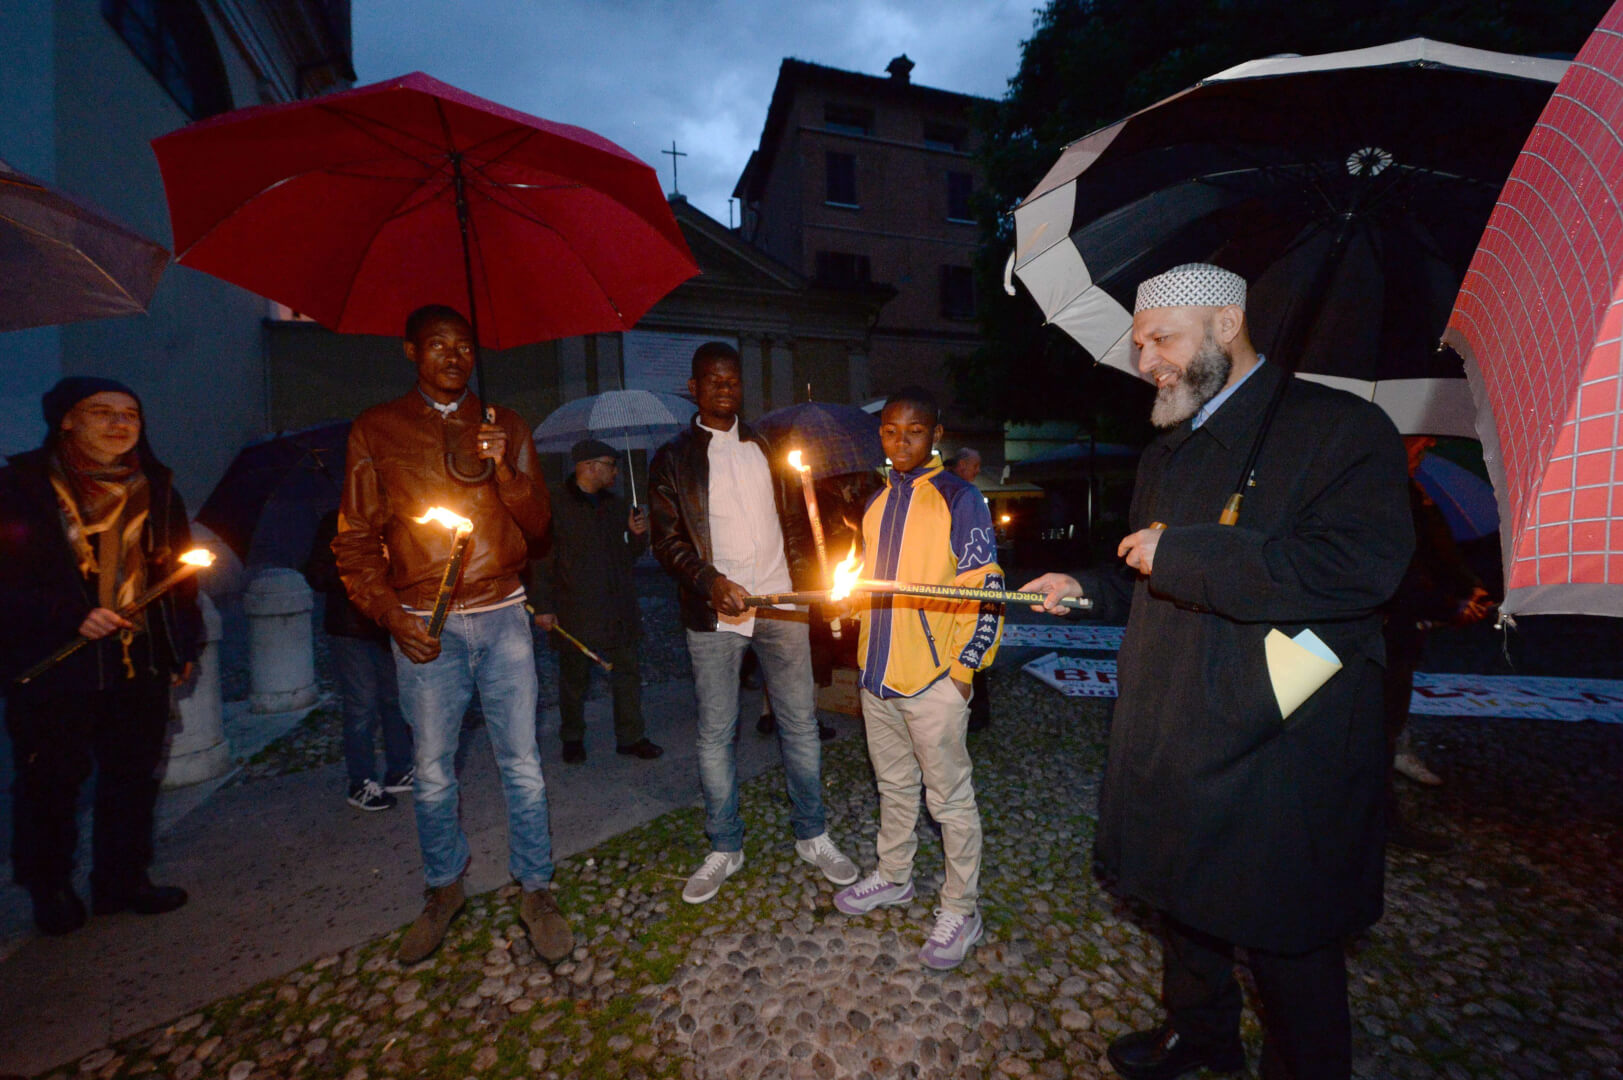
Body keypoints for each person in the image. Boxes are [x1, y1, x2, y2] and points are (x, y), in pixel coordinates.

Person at [1022, 264, 1412, 1080]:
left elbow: (1359, 569)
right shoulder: (1168, 451)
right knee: (1180, 898)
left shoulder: (1342, 430)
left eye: (1161, 339)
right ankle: (1198, 1036)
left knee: (1283, 933)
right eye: (1138, 345)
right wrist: (1084, 587)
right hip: (1172, 722)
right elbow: (1144, 573)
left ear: (1226, 325)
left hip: (1276, 739)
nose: (1144, 362)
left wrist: (1188, 553)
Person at [334, 304, 572, 965]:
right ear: (411, 351)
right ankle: (444, 885)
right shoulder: (376, 428)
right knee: (434, 770)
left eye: (464, 345)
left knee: (522, 763)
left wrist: (506, 472)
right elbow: (354, 542)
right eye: (438, 345)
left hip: (504, 614)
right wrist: (390, 616)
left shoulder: (505, 424)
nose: (453, 356)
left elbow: (539, 525)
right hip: (425, 623)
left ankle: (536, 886)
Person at [648, 341, 858, 904]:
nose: (725, 388)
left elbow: (794, 524)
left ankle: (812, 834)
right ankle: (725, 845)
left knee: (801, 722)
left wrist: (813, 584)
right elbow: (666, 541)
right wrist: (709, 580)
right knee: (716, 733)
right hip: (716, 613)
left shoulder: (768, 446)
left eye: (733, 380)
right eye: (713, 380)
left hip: (782, 604)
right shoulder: (672, 458)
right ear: (694, 388)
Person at [0, 377, 201, 935]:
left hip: (138, 659)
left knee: (133, 774)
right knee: (50, 781)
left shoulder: (156, 488)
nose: (120, 424)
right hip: (55, 665)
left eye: (130, 414)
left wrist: (183, 641)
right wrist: (69, 614)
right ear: (66, 420)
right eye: (102, 412)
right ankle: (50, 888)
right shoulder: (21, 490)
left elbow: (179, 573)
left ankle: (122, 879)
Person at [832, 388, 1002, 970]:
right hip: (877, 676)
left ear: (936, 435)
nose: (900, 441)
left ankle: (961, 908)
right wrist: (850, 607)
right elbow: (872, 582)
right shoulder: (876, 502)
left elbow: (986, 589)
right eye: (889, 431)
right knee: (894, 786)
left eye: (913, 431)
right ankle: (894, 875)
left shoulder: (961, 498)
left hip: (933, 680)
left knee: (949, 800)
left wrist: (963, 671)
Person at [1381, 436, 1494, 852]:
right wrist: (1449, 606)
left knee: (1387, 722)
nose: (1427, 444)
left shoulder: (1411, 490)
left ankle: (1376, 819)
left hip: (1400, 631)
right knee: (1375, 728)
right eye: (1417, 440)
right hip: (1377, 633)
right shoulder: (1373, 492)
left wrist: (1469, 587)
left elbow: (1436, 546)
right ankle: (1377, 824)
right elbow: (1394, 572)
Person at [533, 438, 662, 764]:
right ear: (589, 466)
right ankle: (572, 738)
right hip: (575, 606)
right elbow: (542, 559)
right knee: (574, 678)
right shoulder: (555, 504)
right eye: (610, 465)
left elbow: (626, 557)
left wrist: (638, 536)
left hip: (618, 605)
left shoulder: (616, 505)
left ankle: (631, 737)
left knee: (627, 673)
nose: (616, 472)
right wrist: (544, 606)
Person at [304, 509, 414, 811]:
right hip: (349, 628)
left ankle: (400, 769)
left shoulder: (393, 519)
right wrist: (357, 569)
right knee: (361, 704)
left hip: (386, 627)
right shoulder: (336, 522)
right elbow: (316, 574)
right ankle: (361, 781)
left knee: (395, 699)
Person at [948, 447, 992, 732]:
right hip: (961, 588)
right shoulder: (962, 494)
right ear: (963, 465)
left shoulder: (959, 492)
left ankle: (971, 714)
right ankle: (972, 715)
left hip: (967, 585)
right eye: (975, 466)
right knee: (969, 651)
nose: (977, 471)